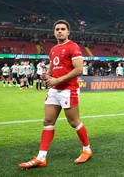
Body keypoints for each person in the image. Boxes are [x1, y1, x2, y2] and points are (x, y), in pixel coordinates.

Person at [19, 20, 92, 169]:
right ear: (54, 32)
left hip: (68, 89)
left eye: (63, 29)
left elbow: (78, 70)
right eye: (57, 29)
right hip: (54, 90)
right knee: (48, 121)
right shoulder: (53, 49)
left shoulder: (73, 47)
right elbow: (53, 67)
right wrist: (47, 76)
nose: (60, 31)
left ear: (68, 32)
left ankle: (87, 150)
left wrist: (58, 79)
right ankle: (41, 157)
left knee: (73, 122)